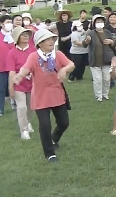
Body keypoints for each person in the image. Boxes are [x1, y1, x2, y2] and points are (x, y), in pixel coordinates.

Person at [12, 29, 74, 162]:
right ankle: (49, 153)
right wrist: (20, 76)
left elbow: (71, 64)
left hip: (57, 94)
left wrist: (64, 69)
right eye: (47, 39)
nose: (51, 41)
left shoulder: (58, 54)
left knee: (64, 123)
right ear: (39, 43)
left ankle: (54, 139)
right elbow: (26, 68)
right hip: (41, 97)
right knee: (45, 125)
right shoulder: (34, 57)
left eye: (52, 38)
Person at [6, 27, 36, 139]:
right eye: (23, 34)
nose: (26, 36)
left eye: (27, 34)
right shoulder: (11, 53)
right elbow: (11, 72)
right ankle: (23, 130)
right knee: (22, 107)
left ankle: (27, 122)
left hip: (33, 83)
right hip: (19, 84)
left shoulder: (33, 50)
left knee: (30, 106)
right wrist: (11, 87)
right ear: (17, 37)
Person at [84, 15, 114, 102]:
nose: (100, 23)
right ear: (94, 23)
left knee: (107, 79)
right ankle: (98, 96)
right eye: (97, 22)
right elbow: (84, 44)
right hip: (95, 60)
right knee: (97, 79)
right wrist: (87, 41)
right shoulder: (90, 33)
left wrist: (111, 41)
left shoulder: (107, 32)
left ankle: (105, 94)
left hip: (106, 60)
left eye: (101, 21)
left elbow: (114, 44)